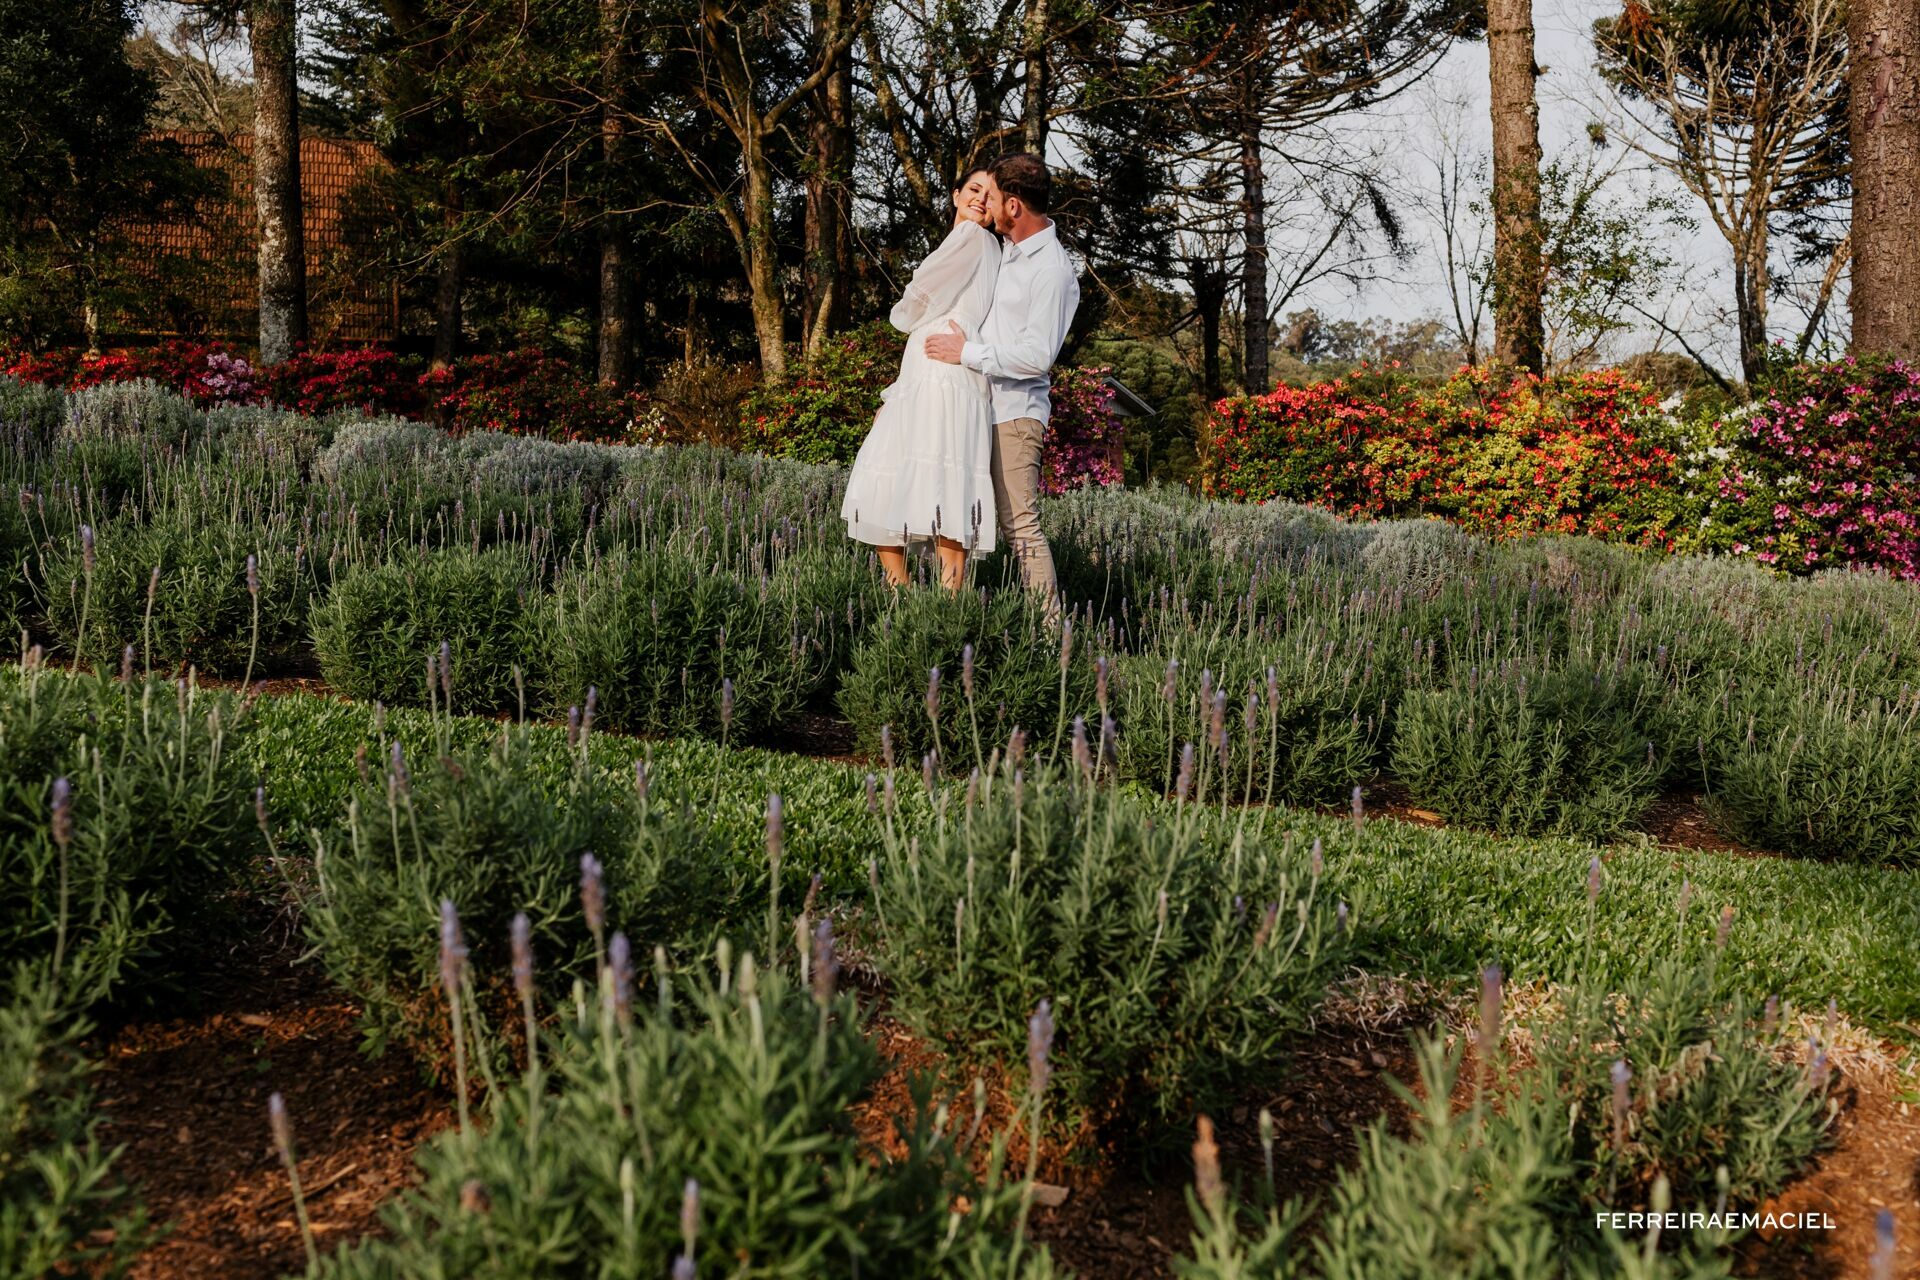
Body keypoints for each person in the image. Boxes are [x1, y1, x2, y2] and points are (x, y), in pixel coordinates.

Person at [924, 152, 1079, 611]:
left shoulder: (1051, 269)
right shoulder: (1006, 250)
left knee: (1019, 525)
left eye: (990, 196)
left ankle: (1053, 640)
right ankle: (952, 615)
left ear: (1013, 206)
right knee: (955, 512)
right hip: (975, 404)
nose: (983, 204)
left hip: (1013, 415)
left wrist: (965, 353)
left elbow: (1036, 357)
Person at [840, 168, 1001, 591]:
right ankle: (919, 599)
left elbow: (920, 294)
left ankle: (923, 600)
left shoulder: (973, 238)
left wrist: (905, 314)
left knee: (937, 485)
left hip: (942, 371)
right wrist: (895, 395)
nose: (981, 199)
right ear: (954, 194)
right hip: (926, 373)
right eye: (973, 189)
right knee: (913, 479)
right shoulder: (973, 242)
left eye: (991, 194)